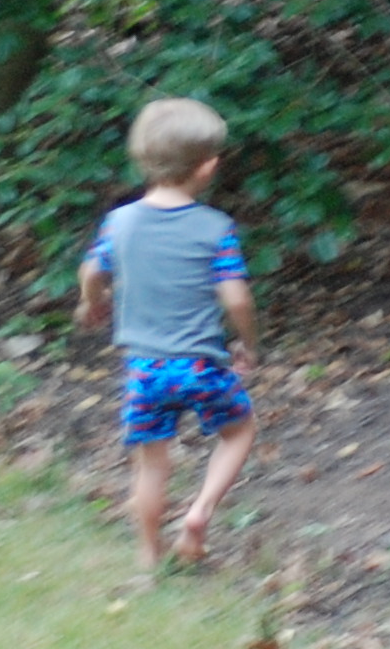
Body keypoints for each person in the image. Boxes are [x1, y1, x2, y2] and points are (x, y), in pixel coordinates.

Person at [75, 97, 258, 570]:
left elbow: (92, 271)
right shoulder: (216, 228)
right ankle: (199, 513)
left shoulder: (119, 223)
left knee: (151, 464)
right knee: (239, 430)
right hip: (202, 366)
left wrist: (92, 302)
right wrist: (247, 343)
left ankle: (147, 558)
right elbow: (237, 300)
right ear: (208, 167)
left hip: (146, 369)